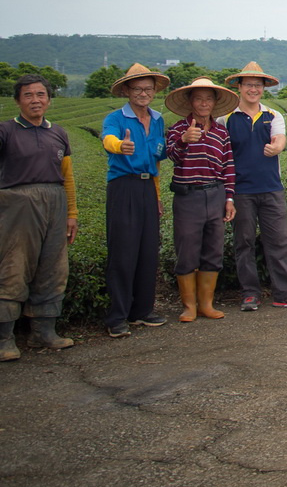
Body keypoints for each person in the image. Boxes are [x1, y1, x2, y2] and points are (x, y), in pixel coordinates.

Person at [0, 74, 78, 361]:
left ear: (49, 99)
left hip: (54, 200)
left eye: (41, 94)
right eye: (28, 95)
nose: (35, 100)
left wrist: (71, 213)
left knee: (53, 266)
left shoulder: (58, 133)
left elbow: (66, 177)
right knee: (14, 265)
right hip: (19, 201)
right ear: (18, 100)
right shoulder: (5, 130)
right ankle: (3, 337)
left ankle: (43, 330)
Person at [218, 62, 287, 310]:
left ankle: (285, 292)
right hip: (240, 190)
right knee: (244, 242)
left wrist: (278, 146)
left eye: (257, 85)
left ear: (263, 88)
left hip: (271, 188)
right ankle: (250, 293)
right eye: (248, 84)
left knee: (278, 241)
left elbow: (280, 137)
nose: (253, 89)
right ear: (239, 87)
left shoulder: (273, 115)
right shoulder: (225, 118)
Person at [101, 63, 170, 338]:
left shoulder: (157, 119)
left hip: (147, 187)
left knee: (147, 250)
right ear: (127, 91)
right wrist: (120, 146)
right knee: (122, 252)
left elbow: (157, 158)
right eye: (138, 89)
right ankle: (117, 316)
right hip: (123, 186)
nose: (143, 93)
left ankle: (142, 310)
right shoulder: (116, 118)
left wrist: (156, 196)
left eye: (148, 89)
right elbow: (107, 140)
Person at [165, 77, 239, 322]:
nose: (204, 103)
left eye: (209, 98)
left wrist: (229, 198)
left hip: (215, 193)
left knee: (213, 249)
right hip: (188, 196)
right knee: (187, 250)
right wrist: (184, 141)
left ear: (215, 102)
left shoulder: (221, 132)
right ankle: (189, 306)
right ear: (190, 101)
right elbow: (172, 157)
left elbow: (228, 165)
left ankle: (206, 303)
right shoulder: (177, 129)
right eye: (199, 98)